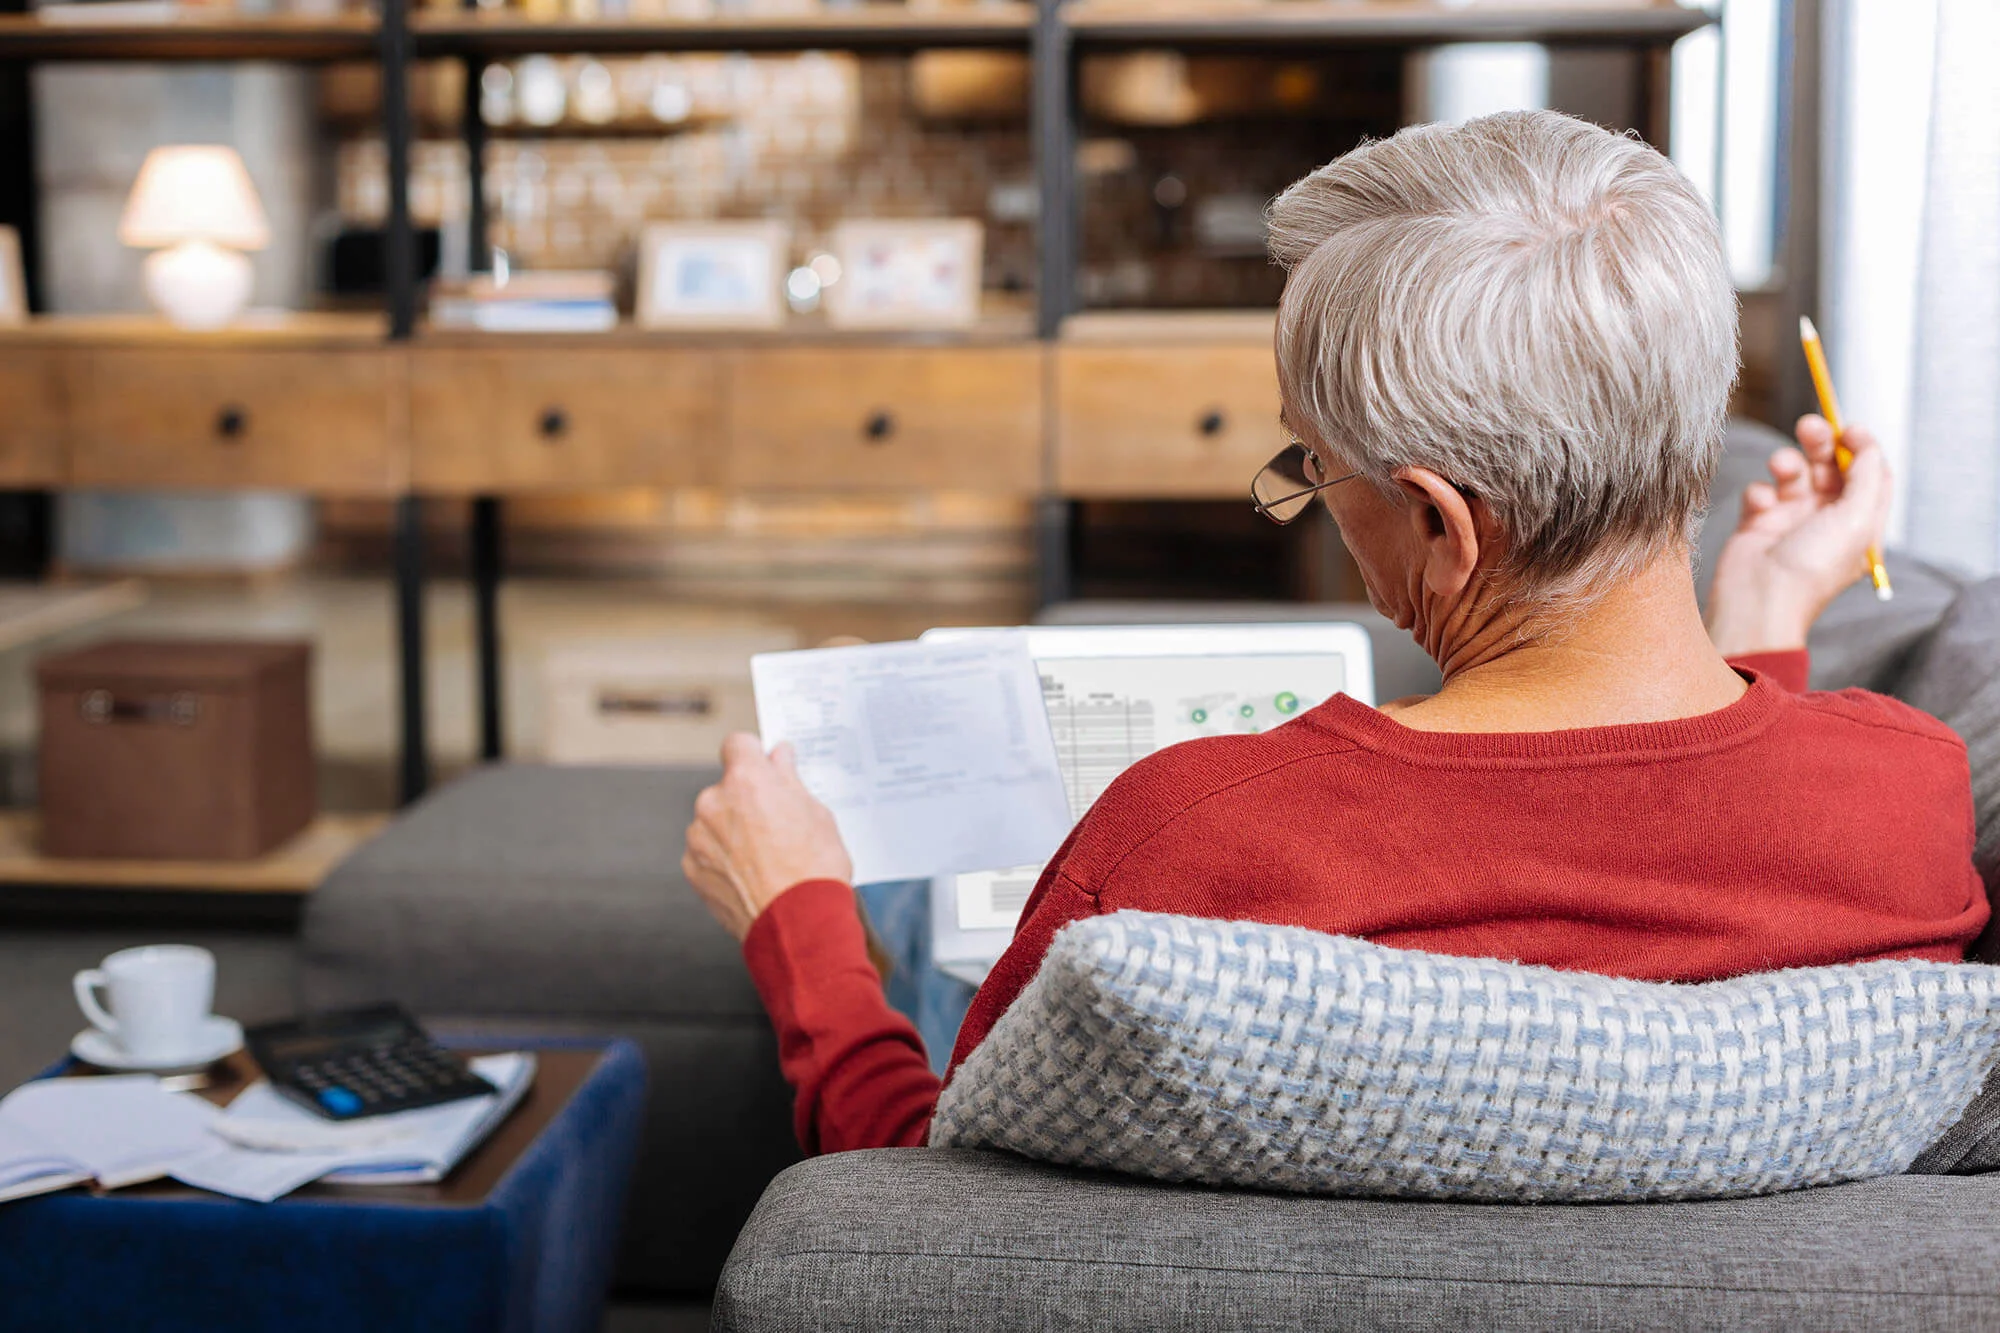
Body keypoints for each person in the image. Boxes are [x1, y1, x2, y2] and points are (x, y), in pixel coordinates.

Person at [681, 111, 1989, 1156]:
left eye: (1315, 465)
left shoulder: (1190, 846)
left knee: (901, 921)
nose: (1311, 496)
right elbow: (1707, 853)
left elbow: (932, 1192)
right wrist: (1760, 627)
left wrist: (796, 918)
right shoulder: (1908, 797)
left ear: (1439, 525)